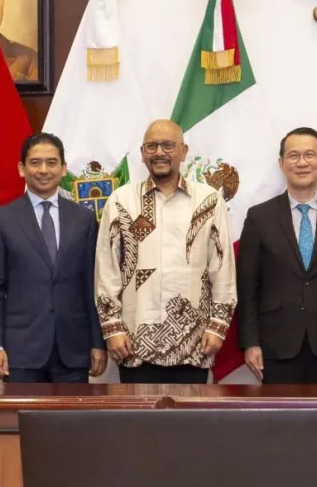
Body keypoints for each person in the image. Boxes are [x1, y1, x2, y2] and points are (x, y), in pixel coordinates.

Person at [95, 119, 236, 384]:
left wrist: (218, 327)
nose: (159, 152)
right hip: (133, 343)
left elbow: (223, 267)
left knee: (188, 423)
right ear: (142, 154)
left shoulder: (208, 199)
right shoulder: (120, 200)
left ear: (183, 151)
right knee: (139, 424)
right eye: (152, 146)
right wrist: (112, 328)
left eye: (168, 145)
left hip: (194, 343)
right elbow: (106, 269)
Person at [236, 127, 317, 384]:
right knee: (280, 422)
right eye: (294, 156)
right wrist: (250, 342)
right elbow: (247, 286)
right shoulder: (259, 217)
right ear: (281, 163)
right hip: (275, 345)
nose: (302, 163)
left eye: (310, 155)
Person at [0, 133, 106, 382]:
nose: (43, 170)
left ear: (63, 169)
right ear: (21, 168)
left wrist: (97, 342)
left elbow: (91, 285)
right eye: (35, 162)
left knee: (72, 422)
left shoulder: (84, 219)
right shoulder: (1, 220)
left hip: (73, 350)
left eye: (51, 162)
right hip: (20, 353)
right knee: (21, 421)